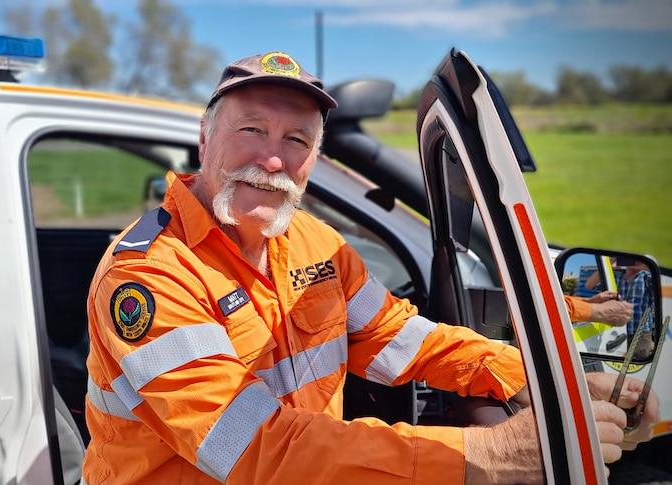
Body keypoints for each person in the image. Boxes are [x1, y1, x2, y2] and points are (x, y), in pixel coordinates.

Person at [81, 52, 658, 484]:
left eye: (296, 139)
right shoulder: (148, 277)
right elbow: (251, 447)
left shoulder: (314, 242)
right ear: (205, 140)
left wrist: (548, 384)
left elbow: (402, 340)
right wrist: (486, 452)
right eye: (251, 130)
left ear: (312, 160)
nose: (273, 158)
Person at [586, 258, 655, 359]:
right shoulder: (614, 277)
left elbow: (663, 289)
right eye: (629, 259)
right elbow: (589, 285)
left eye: (636, 259)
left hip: (640, 333)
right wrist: (609, 262)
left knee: (638, 365)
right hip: (615, 332)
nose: (633, 262)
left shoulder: (647, 278)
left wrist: (647, 266)